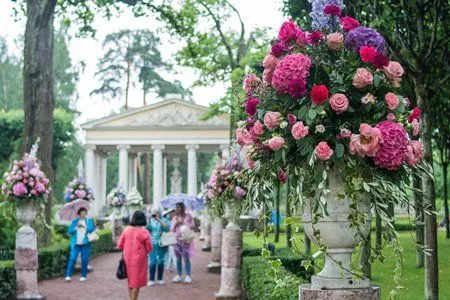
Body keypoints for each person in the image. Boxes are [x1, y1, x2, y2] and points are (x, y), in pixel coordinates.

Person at [118, 211, 153, 300]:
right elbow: (149, 248)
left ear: (133, 218)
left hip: (127, 259)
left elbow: (120, 245)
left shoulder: (126, 229)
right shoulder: (144, 232)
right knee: (136, 284)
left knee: (131, 283)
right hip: (139, 261)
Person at [65, 207, 96, 282]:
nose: (83, 213)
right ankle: (68, 275)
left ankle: (83, 276)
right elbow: (69, 231)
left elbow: (91, 229)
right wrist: (76, 227)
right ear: (79, 213)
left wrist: (84, 226)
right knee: (72, 258)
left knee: (84, 259)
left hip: (85, 244)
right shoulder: (75, 221)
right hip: (76, 244)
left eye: (85, 212)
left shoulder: (89, 221)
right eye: (82, 212)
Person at [171, 202, 195, 284]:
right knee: (178, 258)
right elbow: (171, 230)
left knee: (186, 258)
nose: (177, 209)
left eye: (178, 207)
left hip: (185, 240)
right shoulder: (174, 218)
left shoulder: (188, 216)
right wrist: (176, 224)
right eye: (176, 207)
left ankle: (188, 275)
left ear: (182, 207)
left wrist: (183, 223)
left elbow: (192, 226)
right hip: (177, 240)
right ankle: (179, 275)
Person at [146, 207, 171, 286]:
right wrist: (149, 219)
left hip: (161, 243)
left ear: (160, 213)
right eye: (154, 212)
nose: (155, 214)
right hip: (152, 243)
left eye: (157, 212)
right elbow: (148, 229)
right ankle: (151, 279)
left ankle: (160, 279)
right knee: (152, 262)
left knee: (161, 261)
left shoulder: (164, 220)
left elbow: (167, 229)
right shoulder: (151, 220)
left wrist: (159, 220)